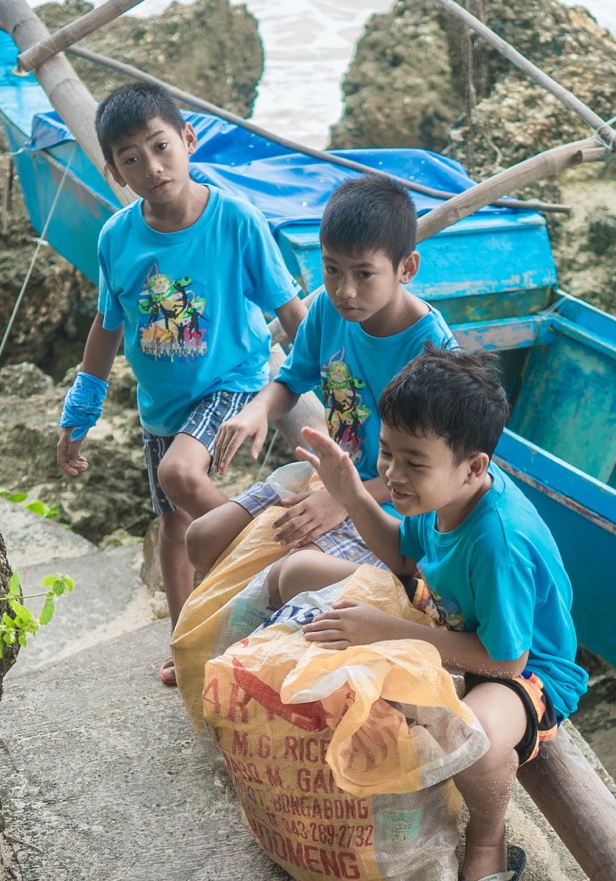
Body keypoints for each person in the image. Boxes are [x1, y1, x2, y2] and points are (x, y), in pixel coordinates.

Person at [275, 347, 587, 881]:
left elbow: (506, 658)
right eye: (387, 453)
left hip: (524, 666)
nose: (393, 474)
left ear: (474, 467)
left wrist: (385, 632)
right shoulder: (440, 496)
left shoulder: (498, 540)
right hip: (440, 617)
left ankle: (489, 840)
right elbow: (400, 551)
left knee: (476, 737)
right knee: (294, 574)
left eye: (413, 463)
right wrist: (351, 492)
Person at [55, 81, 306, 684]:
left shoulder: (236, 221)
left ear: (188, 139)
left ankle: (273, 562)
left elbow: (290, 308)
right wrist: (80, 409)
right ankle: (187, 639)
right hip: (161, 404)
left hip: (233, 379)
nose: (153, 167)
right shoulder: (117, 237)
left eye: (162, 146)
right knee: (172, 527)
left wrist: (324, 378)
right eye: (132, 159)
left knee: (179, 475)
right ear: (116, 172)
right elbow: (107, 326)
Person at [187, 173, 455, 580]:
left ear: (407, 268)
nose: (344, 290)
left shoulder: (432, 352)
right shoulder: (329, 311)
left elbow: (432, 471)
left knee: (290, 570)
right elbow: (292, 381)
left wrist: (345, 500)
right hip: (331, 479)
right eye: (332, 269)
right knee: (203, 537)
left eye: (364, 274)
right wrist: (258, 410)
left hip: (395, 503)